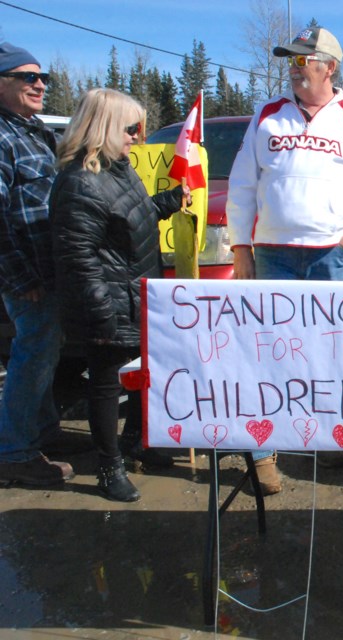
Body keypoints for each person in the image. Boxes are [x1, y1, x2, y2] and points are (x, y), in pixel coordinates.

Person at [226, 26, 343, 493]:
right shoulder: (267, 116)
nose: (294, 69)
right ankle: (263, 455)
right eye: (291, 61)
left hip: (329, 257)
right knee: (268, 356)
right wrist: (241, 246)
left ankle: (324, 434)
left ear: (329, 66)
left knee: (326, 353)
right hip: (273, 255)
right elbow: (241, 184)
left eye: (304, 60)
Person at [49, 88, 187, 502]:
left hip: (136, 293)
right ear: (106, 127)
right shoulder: (80, 181)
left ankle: (137, 443)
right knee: (107, 385)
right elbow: (77, 258)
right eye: (131, 128)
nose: (138, 136)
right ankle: (109, 466)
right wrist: (102, 314)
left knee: (144, 378)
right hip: (107, 301)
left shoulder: (118, 169)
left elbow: (130, 216)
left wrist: (164, 203)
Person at [0, 42, 76, 487]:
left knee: (46, 350)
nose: (40, 84)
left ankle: (43, 432)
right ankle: (14, 452)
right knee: (32, 355)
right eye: (27, 77)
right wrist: (19, 275)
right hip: (26, 274)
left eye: (41, 76)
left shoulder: (34, 131)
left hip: (49, 270)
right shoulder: (3, 137)